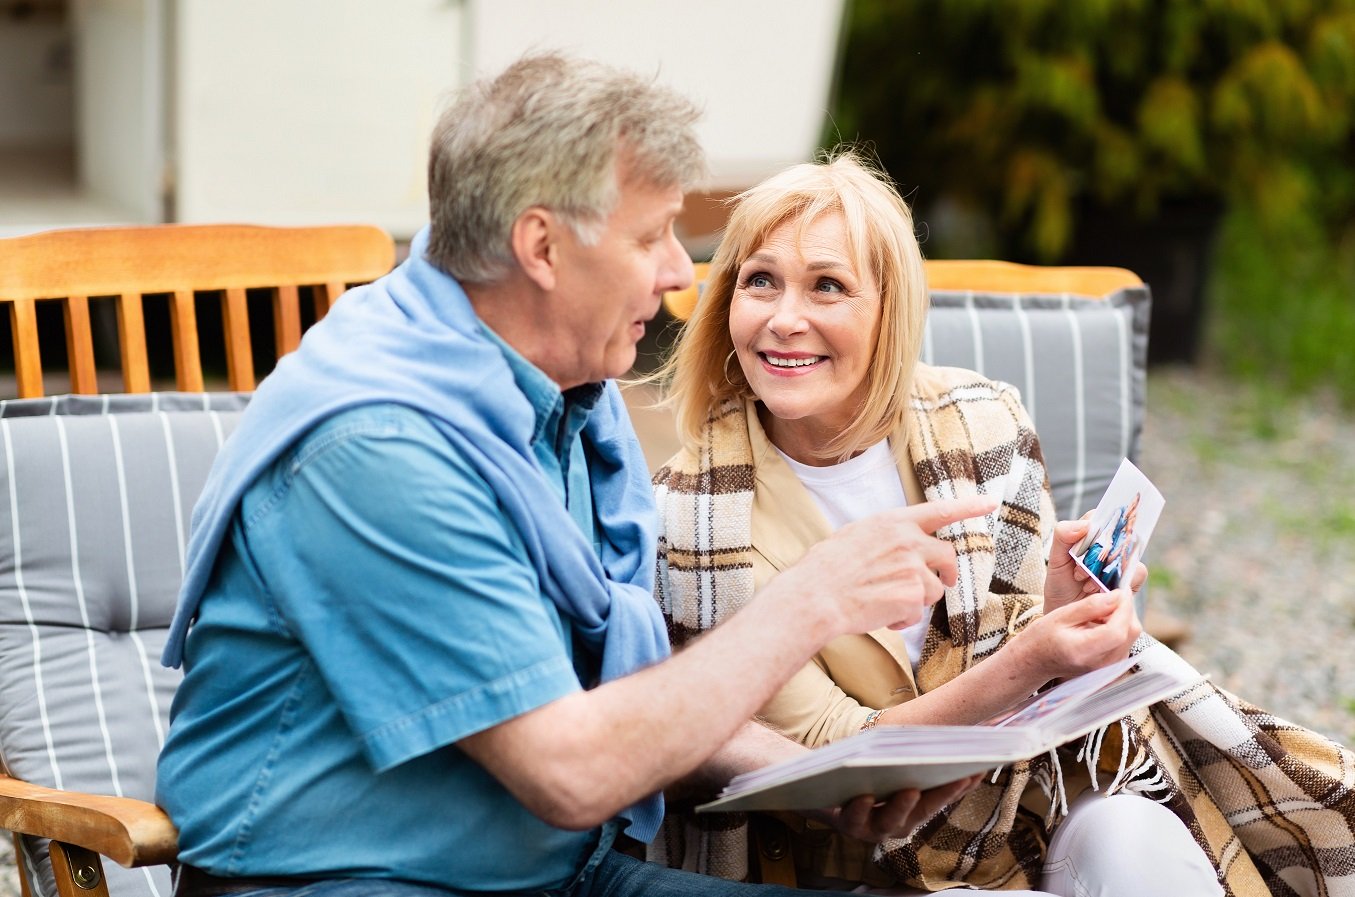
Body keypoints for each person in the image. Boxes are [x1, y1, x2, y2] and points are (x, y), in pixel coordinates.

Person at [154, 55, 992, 897]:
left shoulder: (553, 400)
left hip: (552, 873)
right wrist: (810, 598)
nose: (677, 275)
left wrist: (822, 782)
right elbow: (572, 772)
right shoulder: (379, 449)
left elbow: (609, 699)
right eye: (650, 235)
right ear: (542, 246)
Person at [650, 150, 1355, 896]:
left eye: (827, 285)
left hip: (1023, 808)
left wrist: (1056, 612)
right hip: (856, 863)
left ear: (890, 310)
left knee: (1135, 839)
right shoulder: (694, 520)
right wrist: (1033, 660)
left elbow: (1023, 663)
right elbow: (827, 756)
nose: (784, 319)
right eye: (760, 280)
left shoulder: (984, 420)